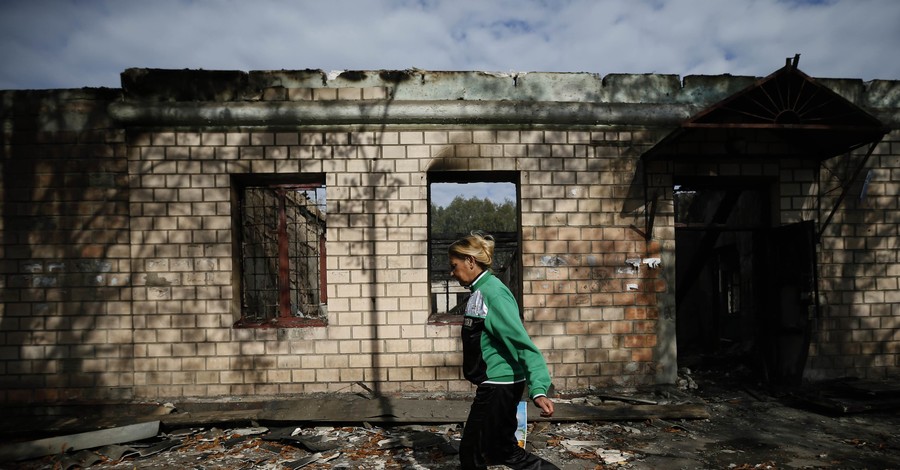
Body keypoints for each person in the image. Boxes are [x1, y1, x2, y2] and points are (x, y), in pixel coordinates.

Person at [448, 232, 560, 470]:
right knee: (500, 450)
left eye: (454, 266)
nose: (452, 272)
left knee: (472, 454)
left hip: (499, 386)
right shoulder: (480, 291)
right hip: (496, 385)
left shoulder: (494, 293)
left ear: (470, 261)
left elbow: (522, 343)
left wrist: (538, 389)